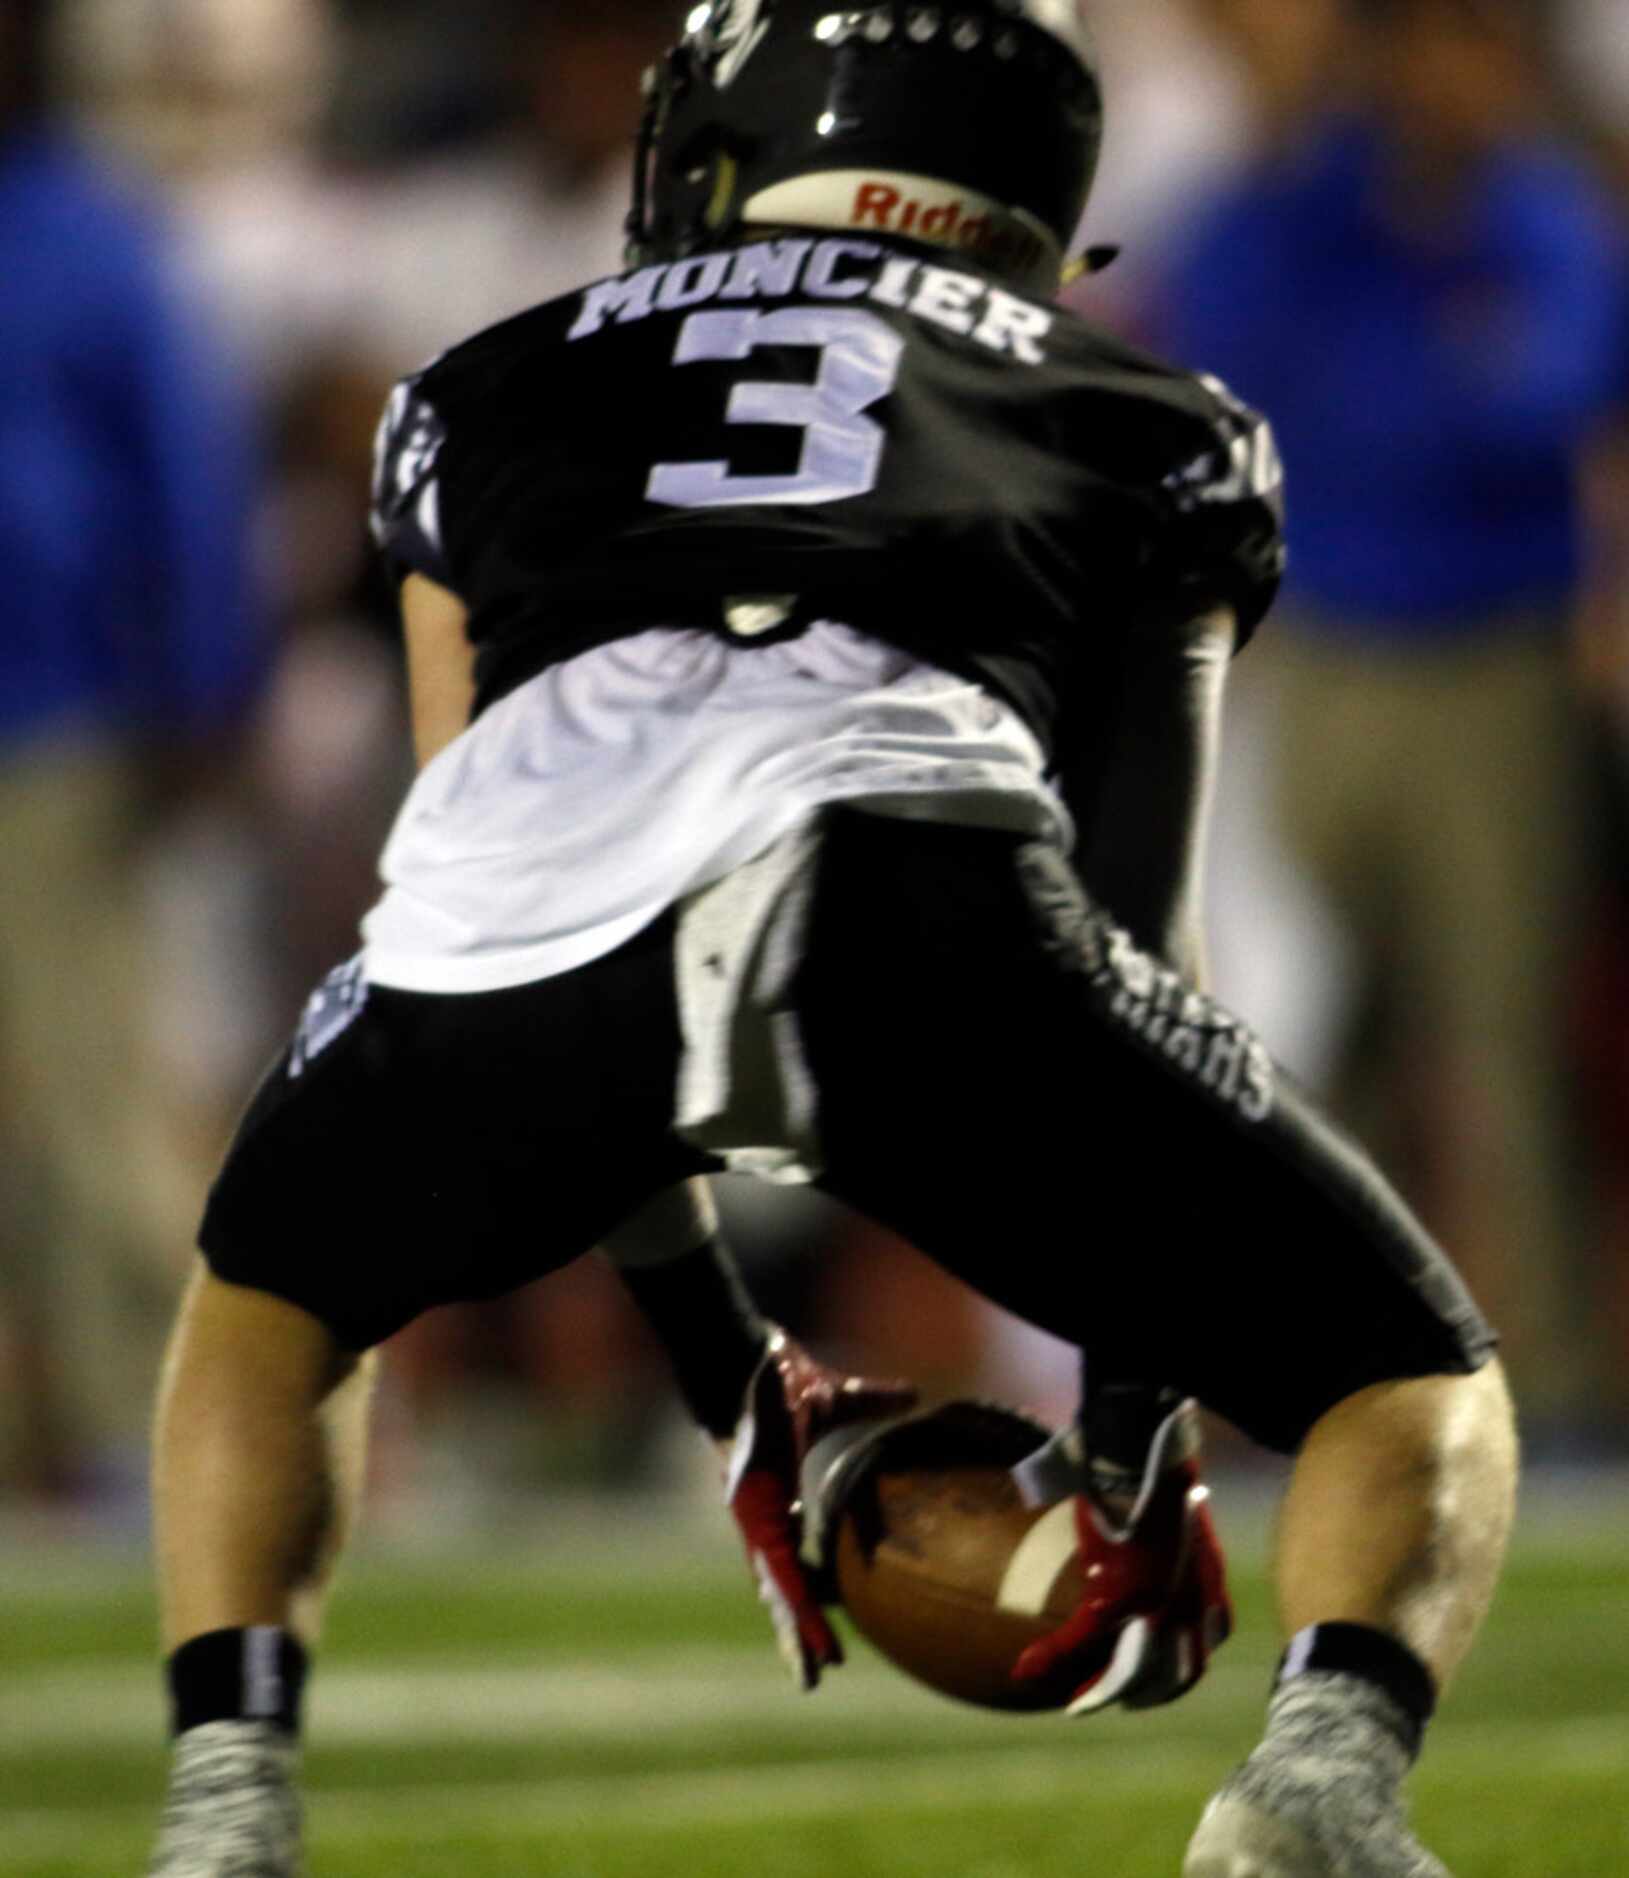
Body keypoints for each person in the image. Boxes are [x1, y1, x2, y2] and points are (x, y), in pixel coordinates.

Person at [145, 5, 1516, 1876]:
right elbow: (1135, 888)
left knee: (264, 1307)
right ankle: (1318, 1803)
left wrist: (733, 1383)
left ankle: (227, 1816)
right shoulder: (1136, 409)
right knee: (1410, 1378)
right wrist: (1132, 1423)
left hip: (505, 939)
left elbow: (493, 857)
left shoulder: (475, 387)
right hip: (908, 862)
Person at [1156, 0, 1629, 1440]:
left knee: (1500, 1042)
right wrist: (1406, 326)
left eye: (1482, 45)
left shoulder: (1538, 214)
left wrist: (1390, 355)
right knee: (1306, 1041)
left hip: (1490, 668)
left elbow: (1531, 404)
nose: (1459, 75)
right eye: (1432, 42)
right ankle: (1313, 1374)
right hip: (1325, 663)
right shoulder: (1300, 203)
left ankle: (1545, 1389)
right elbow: (1209, 354)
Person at [0, 0, 263, 1502]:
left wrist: (201, 690)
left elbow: (182, 472)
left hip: (57, 722)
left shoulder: (88, 236)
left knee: (95, 1095)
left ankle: (177, 1446)